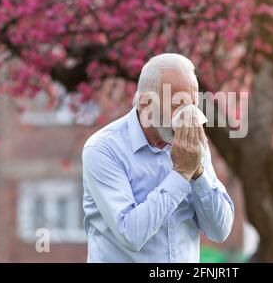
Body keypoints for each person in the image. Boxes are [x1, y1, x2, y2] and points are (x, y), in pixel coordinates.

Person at [82, 53, 234, 262]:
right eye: (176, 104)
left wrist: (198, 173)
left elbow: (220, 230)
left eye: (192, 104)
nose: (187, 116)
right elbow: (131, 234)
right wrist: (181, 174)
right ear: (145, 103)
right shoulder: (103, 149)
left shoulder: (191, 146)